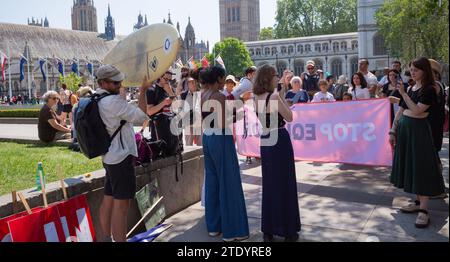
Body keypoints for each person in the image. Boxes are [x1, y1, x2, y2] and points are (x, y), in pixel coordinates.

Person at [95, 65, 150, 242]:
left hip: (109, 157)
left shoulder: (98, 98)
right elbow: (142, 116)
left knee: (108, 199)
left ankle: (106, 239)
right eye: (115, 82)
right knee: (121, 207)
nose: (119, 84)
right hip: (121, 159)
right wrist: (143, 91)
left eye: (120, 81)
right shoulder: (112, 102)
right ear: (103, 83)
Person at [389, 57, 445, 229]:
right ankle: (418, 202)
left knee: (421, 168)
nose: (412, 72)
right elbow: (403, 110)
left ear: (425, 71)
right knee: (412, 166)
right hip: (407, 130)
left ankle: (424, 210)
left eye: (416, 69)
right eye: (411, 69)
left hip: (419, 132)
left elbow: (417, 110)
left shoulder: (430, 88)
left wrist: (403, 94)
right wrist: (393, 129)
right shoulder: (413, 87)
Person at [201, 66, 249, 242]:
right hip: (221, 138)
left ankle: (214, 227)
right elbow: (223, 122)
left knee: (213, 182)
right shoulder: (219, 96)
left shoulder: (203, 94)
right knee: (229, 183)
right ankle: (233, 231)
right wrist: (240, 110)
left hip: (207, 138)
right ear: (220, 79)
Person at [254, 65, 301, 242]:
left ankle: (269, 230)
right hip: (279, 139)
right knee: (285, 183)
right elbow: (289, 117)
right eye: (275, 75)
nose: (277, 78)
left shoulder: (256, 97)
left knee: (270, 184)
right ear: (269, 77)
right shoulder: (273, 96)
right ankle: (288, 230)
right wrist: (282, 95)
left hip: (265, 138)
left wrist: (282, 89)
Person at [427, 59, 447, 199]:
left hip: (433, 126)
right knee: (433, 156)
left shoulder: (435, 86)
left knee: (432, 156)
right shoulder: (434, 85)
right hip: (432, 125)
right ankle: (438, 187)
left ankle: (438, 189)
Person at [146, 70, 176, 141]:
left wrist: (170, 92)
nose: (168, 82)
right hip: (158, 127)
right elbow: (149, 111)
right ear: (160, 77)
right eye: (166, 79)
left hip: (171, 125)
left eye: (170, 80)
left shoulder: (170, 89)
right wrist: (163, 103)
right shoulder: (152, 90)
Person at [180, 76, 202, 146]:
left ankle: (200, 157)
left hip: (199, 121)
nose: (192, 84)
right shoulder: (183, 94)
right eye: (190, 82)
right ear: (187, 85)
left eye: (193, 82)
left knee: (200, 144)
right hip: (188, 122)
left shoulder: (200, 93)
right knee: (189, 143)